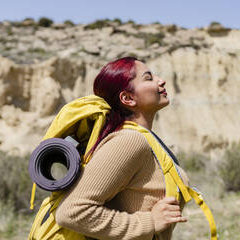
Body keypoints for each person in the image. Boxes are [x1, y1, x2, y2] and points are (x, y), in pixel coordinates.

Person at [55, 57, 189, 240]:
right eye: (148, 78)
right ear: (128, 98)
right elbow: (72, 211)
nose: (161, 80)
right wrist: (150, 221)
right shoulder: (129, 141)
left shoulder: (145, 138)